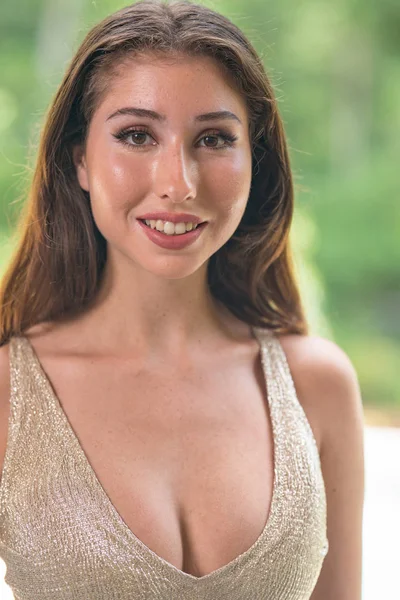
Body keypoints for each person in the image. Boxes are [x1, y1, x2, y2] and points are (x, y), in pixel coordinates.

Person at [0, 1, 365, 598]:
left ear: (255, 162)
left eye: (214, 138)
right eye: (137, 135)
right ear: (81, 160)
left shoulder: (317, 388)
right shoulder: (9, 399)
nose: (179, 182)